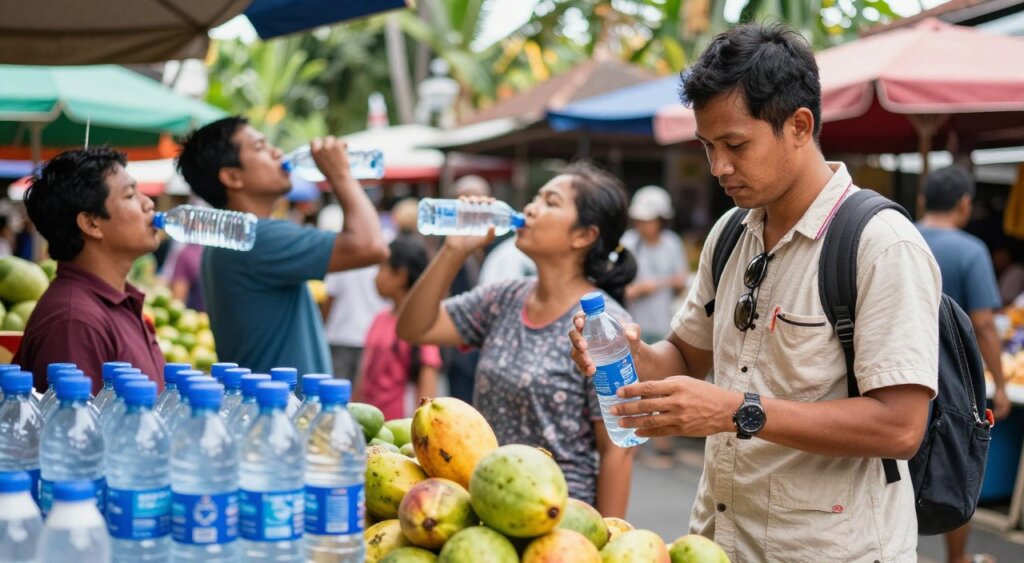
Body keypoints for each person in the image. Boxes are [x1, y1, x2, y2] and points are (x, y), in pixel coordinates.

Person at [570, 23, 941, 560]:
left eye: (735, 145)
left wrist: (737, 410)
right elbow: (684, 357)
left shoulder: (881, 245)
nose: (718, 167)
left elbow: (901, 427)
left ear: (799, 125)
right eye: (707, 146)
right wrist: (634, 357)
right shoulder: (730, 234)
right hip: (717, 543)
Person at [397, 161, 638, 515]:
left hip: (557, 516)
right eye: (535, 198)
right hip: (488, 503)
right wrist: (454, 252)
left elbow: (618, 449)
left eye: (550, 202)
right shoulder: (503, 298)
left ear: (583, 235)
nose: (529, 208)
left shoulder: (604, 323)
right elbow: (414, 328)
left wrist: (608, 537)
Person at [176, 116, 389, 379]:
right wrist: (340, 174)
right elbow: (370, 246)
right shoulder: (255, 237)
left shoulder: (234, 240)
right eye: (260, 147)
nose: (277, 152)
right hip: (286, 414)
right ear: (232, 177)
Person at [917, 165, 1012, 563]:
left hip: (895, 374)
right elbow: (985, 325)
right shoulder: (970, 250)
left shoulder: (897, 233)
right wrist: (1001, 385)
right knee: (952, 468)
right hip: (952, 384)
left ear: (922, 200)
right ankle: (956, 559)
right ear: (965, 204)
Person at [14, 148, 166, 393]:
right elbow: (77, 427)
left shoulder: (116, 301)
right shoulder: (74, 322)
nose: (148, 203)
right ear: (91, 223)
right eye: (130, 196)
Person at [620, 185, 689, 469]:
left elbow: (681, 278)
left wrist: (656, 285)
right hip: (632, 326)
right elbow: (615, 284)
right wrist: (635, 289)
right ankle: (632, 440)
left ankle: (661, 439)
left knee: (659, 385)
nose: (645, 225)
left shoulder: (671, 243)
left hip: (661, 323)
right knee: (631, 383)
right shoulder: (627, 243)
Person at [354, 236, 441, 418]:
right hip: (371, 426)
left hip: (399, 432)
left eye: (381, 268)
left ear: (400, 275)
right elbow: (363, 376)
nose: (375, 277)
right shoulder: (379, 319)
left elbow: (427, 388)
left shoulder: (420, 328)